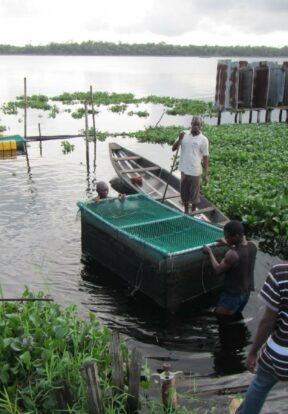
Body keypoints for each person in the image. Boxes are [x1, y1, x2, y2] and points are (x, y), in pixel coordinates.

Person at [234, 262, 288, 414]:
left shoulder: (281, 272)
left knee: (260, 384)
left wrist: (253, 352)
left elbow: (267, 323)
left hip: (279, 356)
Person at [203, 220, 257, 316]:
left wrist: (209, 252)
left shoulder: (232, 254)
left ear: (236, 236)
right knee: (234, 317)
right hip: (246, 293)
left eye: (227, 237)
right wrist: (228, 244)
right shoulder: (253, 246)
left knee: (220, 318)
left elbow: (218, 270)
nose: (226, 238)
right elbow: (241, 250)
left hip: (232, 296)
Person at [172, 116, 209, 214]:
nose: (195, 126)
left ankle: (192, 212)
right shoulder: (183, 134)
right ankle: (186, 211)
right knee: (184, 193)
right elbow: (173, 148)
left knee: (194, 195)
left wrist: (205, 174)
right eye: (194, 124)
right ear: (191, 124)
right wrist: (179, 139)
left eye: (198, 125)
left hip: (195, 171)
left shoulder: (203, 139)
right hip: (184, 169)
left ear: (201, 126)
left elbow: (205, 157)